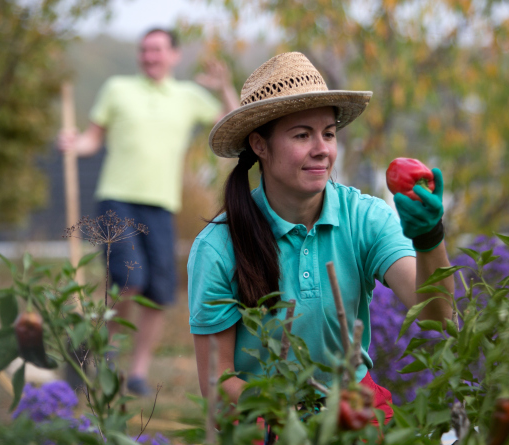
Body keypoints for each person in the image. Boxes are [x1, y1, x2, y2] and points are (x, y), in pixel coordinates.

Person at [188, 52, 454, 423]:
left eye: (328, 134)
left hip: (356, 411)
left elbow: (436, 317)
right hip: (266, 427)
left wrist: (429, 238)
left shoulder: (365, 218)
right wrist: (306, 409)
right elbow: (219, 386)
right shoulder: (218, 248)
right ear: (260, 145)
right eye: (302, 135)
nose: (322, 150)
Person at [58, 28, 239, 395]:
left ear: (174, 55)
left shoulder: (188, 96)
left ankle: (136, 371)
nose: (149, 56)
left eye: (157, 50)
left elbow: (233, 121)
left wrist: (223, 86)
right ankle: (104, 352)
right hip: (116, 198)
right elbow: (93, 138)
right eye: (144, 50)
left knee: (158, 292)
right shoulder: (117, 88)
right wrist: (73, 144)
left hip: (161, 205)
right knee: (130, 279)